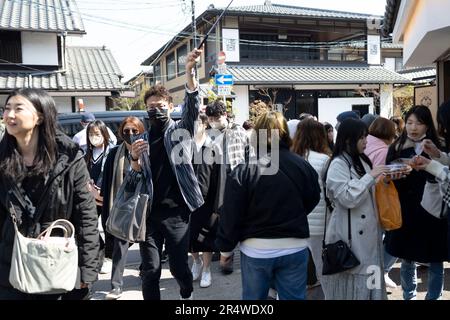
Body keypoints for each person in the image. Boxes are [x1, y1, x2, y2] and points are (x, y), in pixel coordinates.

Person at [0, 88, 100, 299]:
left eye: (18, 108)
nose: (9, 115)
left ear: (40, 117)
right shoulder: (2, 159)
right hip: (11, 265)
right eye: (6, 108)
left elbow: (86, 215)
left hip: (57, 262)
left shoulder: (69, 157)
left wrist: (87, 269)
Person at [216, 111, 320, 300]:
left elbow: (231, 213)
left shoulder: (245, 169)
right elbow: (313, 198)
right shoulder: (302, 166)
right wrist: (295, 214)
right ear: (285, 133)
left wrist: (225, 250)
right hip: (294, 246)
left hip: (256, 249)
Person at [129, 48, 204, 300]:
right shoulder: (140, 137)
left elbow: (193, 104)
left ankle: (186, 293)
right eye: (151, 108)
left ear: (170, 107)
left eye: (160, 106)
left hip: (177, 212)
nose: (155, 111)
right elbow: (134, 177)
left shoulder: (181, 130)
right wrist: (135, 159)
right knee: (150, 269)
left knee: (178, 267)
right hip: (148, 213)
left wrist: (189, 70)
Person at [322, 118, 389, 300]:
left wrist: (388, 178)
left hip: (370, 236)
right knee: (357, 283)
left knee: (372, 279)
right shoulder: (337, 164)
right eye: (362, 138)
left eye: (366, 137)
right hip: (351, 239)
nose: (366, 142)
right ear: (348, 139)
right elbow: (346, 197)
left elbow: (370, 190)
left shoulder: (361, 159)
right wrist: (370, 177)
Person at [385, 105, 447, 300]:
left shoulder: (439, 147)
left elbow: (445, 172)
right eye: (410, 123)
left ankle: (433, 297)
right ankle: (408, 296)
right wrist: (397, 171)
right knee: (407, 258)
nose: (413, 128)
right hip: (407, 209)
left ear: (427, 125)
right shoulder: (396, 147)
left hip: (434, 211)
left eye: (419, 123)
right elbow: (386, 176)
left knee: (436, 259)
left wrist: (432, 160)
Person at [101, 116, 145, 300]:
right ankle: (116, 285)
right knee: (120, 245)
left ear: (141, 131)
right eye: (126, 131)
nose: (130, 134)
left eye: (134, 131)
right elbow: (107, 181)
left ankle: (146, 274)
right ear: (121, 132)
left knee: (147, 244)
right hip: (122, 204)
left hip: (144, 204)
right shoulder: (114, 153)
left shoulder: (147, 151)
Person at [205, 99, 249, 275]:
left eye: (215, 117)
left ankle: (229, 257)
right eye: (209, 119)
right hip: (219, 179)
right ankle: (224, 253)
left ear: (224, 115)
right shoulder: (212, 132)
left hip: (236, 180)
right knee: (222, 217)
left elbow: (243, 158)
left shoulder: (237, 131)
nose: (212, 121)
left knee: (233, 218)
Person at [291, 118, 331, 296]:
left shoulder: (290, 159)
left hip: (293, 222)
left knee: (291, 270)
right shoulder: (325, 160)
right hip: (319, 223)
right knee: (323, 268)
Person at [363, 117, 399, 289]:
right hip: (379, 200)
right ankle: (376, 285)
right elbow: (382, 177)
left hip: (361, 200)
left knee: (370, 245)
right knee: (382, 243)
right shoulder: (385, 150)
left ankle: (372, 282)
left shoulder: (364, 143)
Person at [190, 113, 219, 289]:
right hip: (188, 200)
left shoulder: (213, 147)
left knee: (207, 237)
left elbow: (219, 177)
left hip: (209, 201)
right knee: (190, 237)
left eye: (198, 123)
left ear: (205, 125)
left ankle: (207, 269)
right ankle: (196, 261)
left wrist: (218, 204)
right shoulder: (185, 147)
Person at [85, 120, 115, 275]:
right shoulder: (86, 155)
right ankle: (100, 253)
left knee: (108, 227)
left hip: (107, 197)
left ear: (104, 134)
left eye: (97, 134)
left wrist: (102, 194)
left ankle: (109, 258)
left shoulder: (111, 153)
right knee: (88, 227)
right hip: (90, 198)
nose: (93, 137)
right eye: (90, 134)